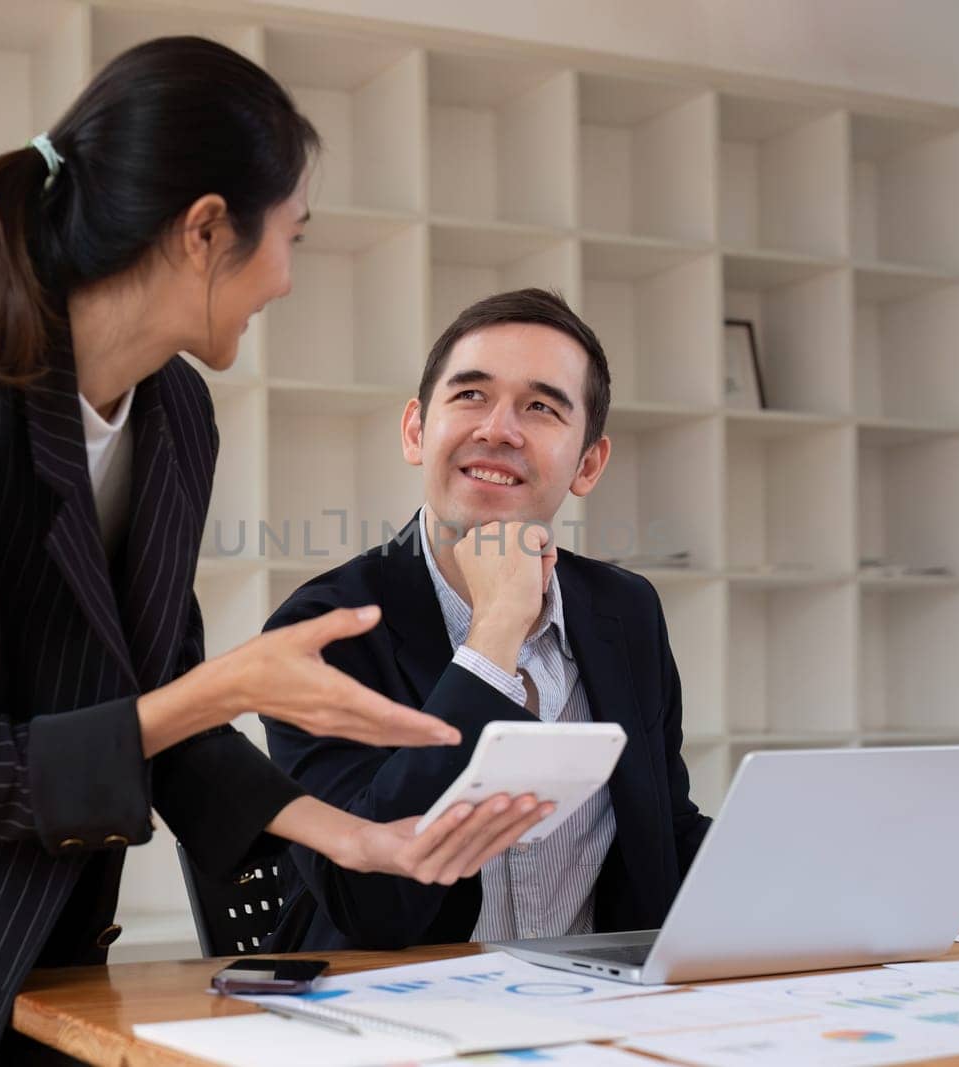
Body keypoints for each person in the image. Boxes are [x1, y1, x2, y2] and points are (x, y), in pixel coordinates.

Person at [0, 38, 547, 1066]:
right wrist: (224, 688)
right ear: (205, 229)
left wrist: (354, 835)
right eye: (289, 238)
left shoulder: (176, 416)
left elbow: (155, 697)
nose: (285, 280)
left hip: (24, 944)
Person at [263, 288, 713, 952]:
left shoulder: (626, 611)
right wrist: (493, 634)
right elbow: (372, 901)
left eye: (540, 406)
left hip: (597, 1016)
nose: (498, 429)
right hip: (399, 1016)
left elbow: (664, 835)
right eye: (471, 395)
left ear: (588, 463)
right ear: (417, 430)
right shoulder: (325, 627)